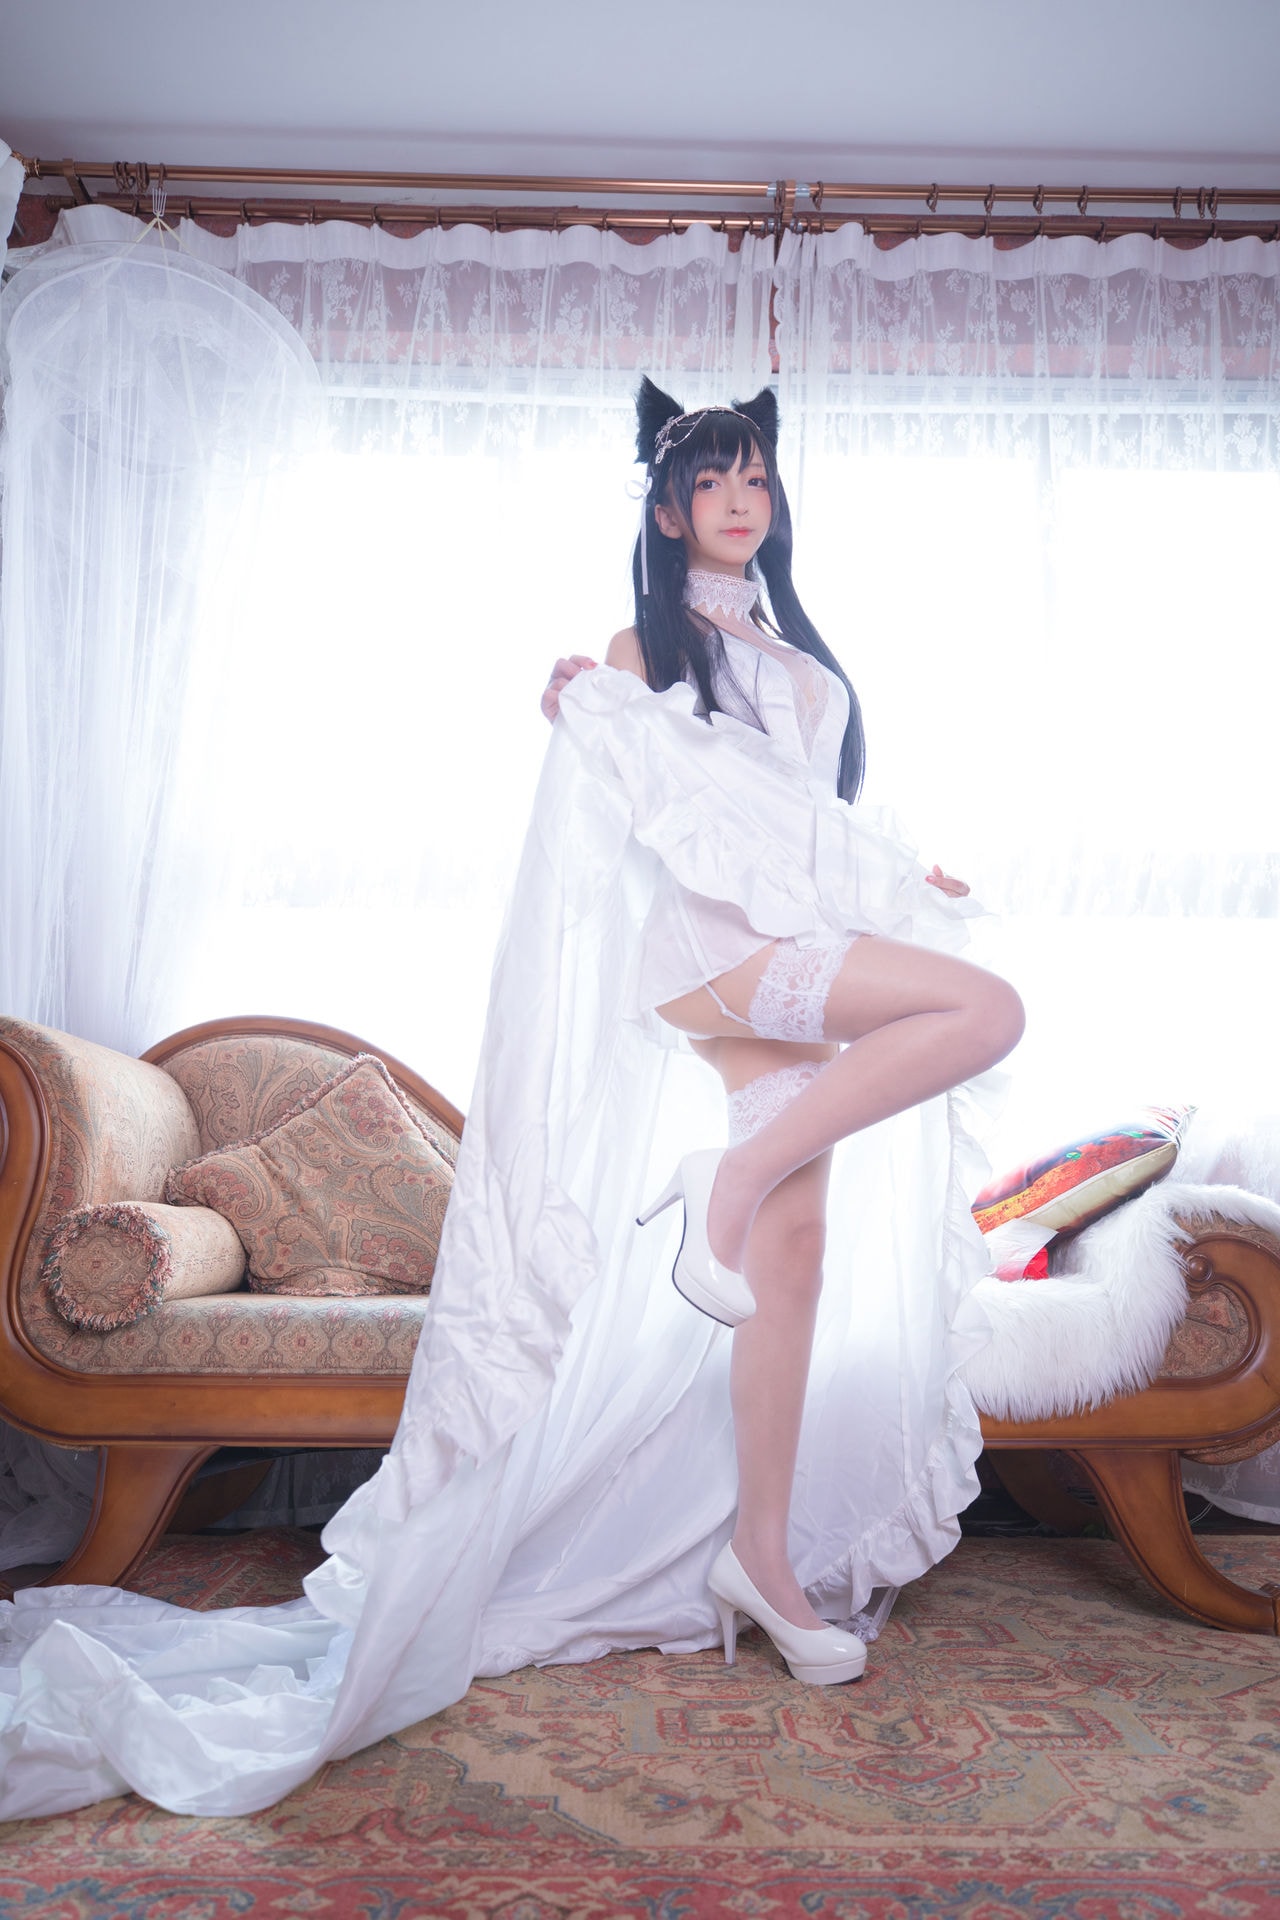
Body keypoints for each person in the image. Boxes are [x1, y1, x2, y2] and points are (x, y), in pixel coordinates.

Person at [0, 381, 1019, 1821]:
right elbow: (658, 810)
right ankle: (719, 1190)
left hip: (789, 942)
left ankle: (762, 1559)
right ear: (667, 509)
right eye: (714, 483)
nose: (741, 502)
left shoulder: (795, 651)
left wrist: (912, 883)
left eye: (757, 481)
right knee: (983, 1010)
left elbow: (808, 824)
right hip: (722, 953)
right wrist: (590, 704)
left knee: (793, 1264)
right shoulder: (643, 648)